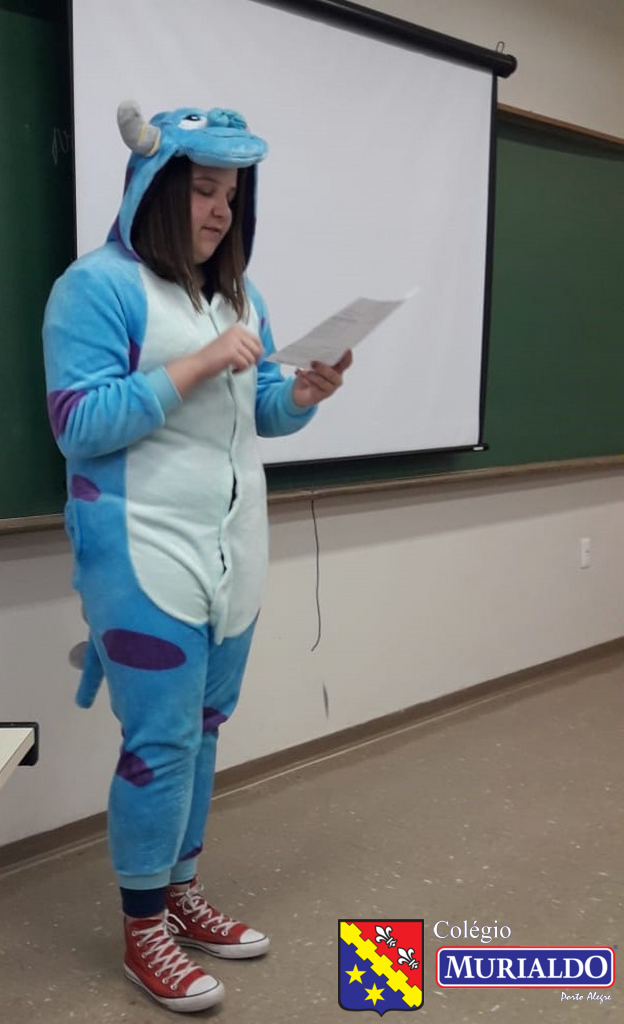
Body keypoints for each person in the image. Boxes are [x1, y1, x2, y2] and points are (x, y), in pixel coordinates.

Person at [43, 101, 352, 1014]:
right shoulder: (94, 287)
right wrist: (198, 363)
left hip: (234, 549)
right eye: (204, 190)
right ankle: (143, 929)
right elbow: (78, 424)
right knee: (160, 740)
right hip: (138, 551)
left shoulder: (240, 296)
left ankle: (178, 892)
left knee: (205, 731)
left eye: (232, 194)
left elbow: (261, 409)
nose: (221, 210)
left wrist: (303, 394)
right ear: (154, 189)